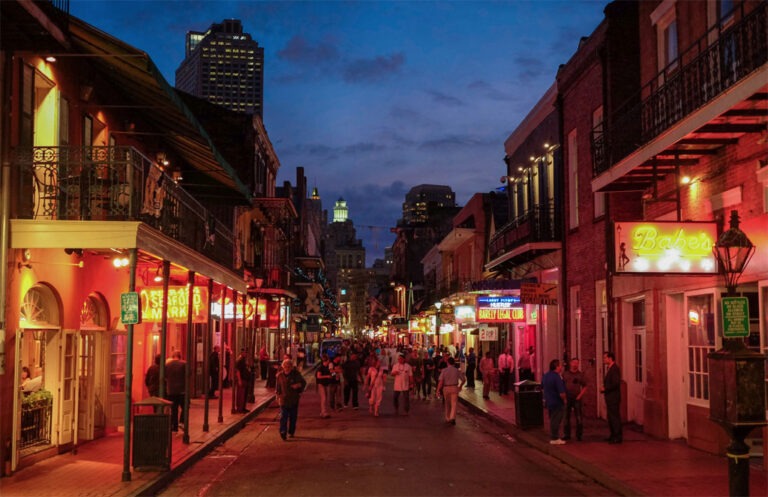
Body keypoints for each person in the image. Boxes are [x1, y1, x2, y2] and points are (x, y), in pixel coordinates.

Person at [275, 358, 307, 440]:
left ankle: (291, 431)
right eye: (285, 366)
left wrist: (298, 385)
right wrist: (277, 396)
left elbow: (303, 383)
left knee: (293, 417)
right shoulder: (280, 376)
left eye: (289, 366)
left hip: (293, 399)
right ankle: (283, 431)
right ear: (283, 367)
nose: (287, 368)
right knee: (283, 416)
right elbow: (278, 387)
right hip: (283, 399)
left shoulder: (296, 374)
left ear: (291, 367)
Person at [542, 359, 567, 445]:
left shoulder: (546, 375)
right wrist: (564, 399)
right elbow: (561, 392)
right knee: (556, 420)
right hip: (557, 401)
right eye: (560, 365)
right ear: (557, 367)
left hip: (549, 401)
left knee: (552, 418)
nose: (561, 367)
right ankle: (554, 438)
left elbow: (542, 387)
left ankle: (554, 436)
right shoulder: (557, 377)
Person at [562, 358, 587, 441]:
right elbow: (561, 385)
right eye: (574, 363)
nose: (575, 364)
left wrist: (580, 396)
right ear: (570, 363)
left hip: (576, 398)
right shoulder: (565, 374)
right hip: (567, 397)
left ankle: (579, 435)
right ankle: (567, 434)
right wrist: (563, 396)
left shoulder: (580, 375)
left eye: (577, 363)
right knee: (566, 417)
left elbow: (585, 386)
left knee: (579, 417)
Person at [437, 357, 466, 425]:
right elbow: (464, 379)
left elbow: (441, 381)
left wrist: (438, 390)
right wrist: (460, 386)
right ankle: (452, 418)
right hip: (454, 387)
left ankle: (448, 418)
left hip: (446, 388)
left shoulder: (444, 370)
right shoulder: (457, 370)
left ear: (448, 363)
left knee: (447, 404)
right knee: (454, 404)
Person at [601, 352, 622, 444]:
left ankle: (617, 436)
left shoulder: (614, 369)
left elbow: (615, 383)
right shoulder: (610, 369)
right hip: (610, 397)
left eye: (605, 358)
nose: (604, 360)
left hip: (613, 397)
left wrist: (605, 388)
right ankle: (613, 434)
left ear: (610, 358)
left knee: (614, 417)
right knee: (610, 416)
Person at [165, 351, 186, 432]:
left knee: (174, 409)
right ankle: (182, 422)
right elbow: (188, 375)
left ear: (173, 356)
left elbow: (165, 376)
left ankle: (175, 426)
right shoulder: (184, 364)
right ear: (180, 356)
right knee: (185, 407)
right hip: (182, 390)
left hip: (171, 390)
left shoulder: (167, 365)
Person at [235, 348, 249, 413]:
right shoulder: (240, 360)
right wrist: (239, 380)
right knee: (241, 395)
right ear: (242, 353)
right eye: (245, 352)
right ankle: (240, 408)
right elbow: (238, 371)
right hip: (242, 379)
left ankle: (243, 407)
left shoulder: (244, 360)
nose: (246, 354)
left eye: (246, 353)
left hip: (245, 379)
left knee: (244, 395)